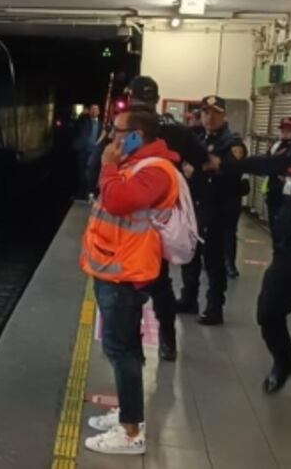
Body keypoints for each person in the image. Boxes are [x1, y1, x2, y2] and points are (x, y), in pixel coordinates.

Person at [82, 109, 182, 455]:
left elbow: (117, 200)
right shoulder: (135, 163)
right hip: (114, 266)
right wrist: (111, 164)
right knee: (126, 346)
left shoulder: (155, 170)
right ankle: (127, 412)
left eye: (118, 131)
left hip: (126, 272)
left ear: (138, 134)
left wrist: (110, 166)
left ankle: (130, 432)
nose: (112, 136)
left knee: (119, 348)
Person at [89, 76, 209, 361]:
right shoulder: (176, 130)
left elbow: (95, 167)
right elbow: (207, 161)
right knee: (160, 284)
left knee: (127, 292)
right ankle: (167, 339)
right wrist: (186, 190)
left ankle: (132, 346)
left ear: (129, 98)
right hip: (162, 225)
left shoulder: (124, 129)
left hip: (128, 231)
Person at [223, 105, 291, 420]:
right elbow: (262, 164)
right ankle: (284, 361)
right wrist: (224, 164)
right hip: (288, 255)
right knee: (267, 313)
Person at [176, 95, 248, 325]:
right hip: (194, 205)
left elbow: (229, 168)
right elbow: (184, 162)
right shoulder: (197, 136)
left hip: (216, 207)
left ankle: (214, 306)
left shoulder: (232, 142)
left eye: (215, 112)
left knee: (213, 259)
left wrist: (198, 168)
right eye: (206, 112)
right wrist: (201, 166)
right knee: (190, 255)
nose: (209, 117)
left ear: (223, 115)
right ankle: (189, 299)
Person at [74, 104, 102, 199]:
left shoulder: (101, 124)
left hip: (94, 153)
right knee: (81, 172)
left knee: (92, 173)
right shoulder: (84, 121)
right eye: (92, 109)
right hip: (83, 151)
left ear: (99, 112)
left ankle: (89, 193)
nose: (94, 111)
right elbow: (77, 124)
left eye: (96, 109)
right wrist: (82, 115)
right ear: (89, 112)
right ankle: (80, 194)